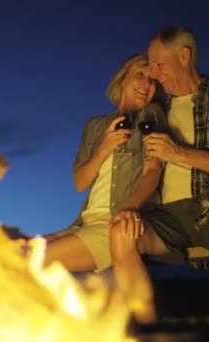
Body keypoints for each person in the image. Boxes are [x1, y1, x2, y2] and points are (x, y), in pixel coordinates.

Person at [109, 26, 209, 323]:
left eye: (158, 64)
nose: (153, 74)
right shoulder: (157, 111)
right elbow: (152, 170)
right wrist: (129, 208)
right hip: (171, 217)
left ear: (184, 56)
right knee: (121, 231)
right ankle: (148, 330)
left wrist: (180, 153)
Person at [43, 53, 166, 274]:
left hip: (116, 223)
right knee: (16, 251)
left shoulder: (152, 116)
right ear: (122, 79)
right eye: (140, 75)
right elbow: (80, 183)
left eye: (153, 81)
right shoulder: (96, 125)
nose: (147, 84)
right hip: (84, 223)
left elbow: (153, 171)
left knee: (35, 260)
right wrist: (104, 148)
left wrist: (129, 208)